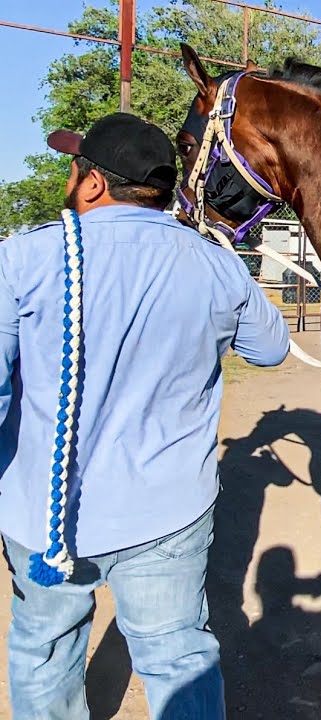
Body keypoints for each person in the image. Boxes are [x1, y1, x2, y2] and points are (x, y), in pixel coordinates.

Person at [0, 112, 290, 719]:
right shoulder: (213, 262)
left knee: (44, 653)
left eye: (75, 165)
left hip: (43, 516)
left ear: (93, 183)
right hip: (167, 512)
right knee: (177, 656)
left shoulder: (22, 260)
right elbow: (270, 351)